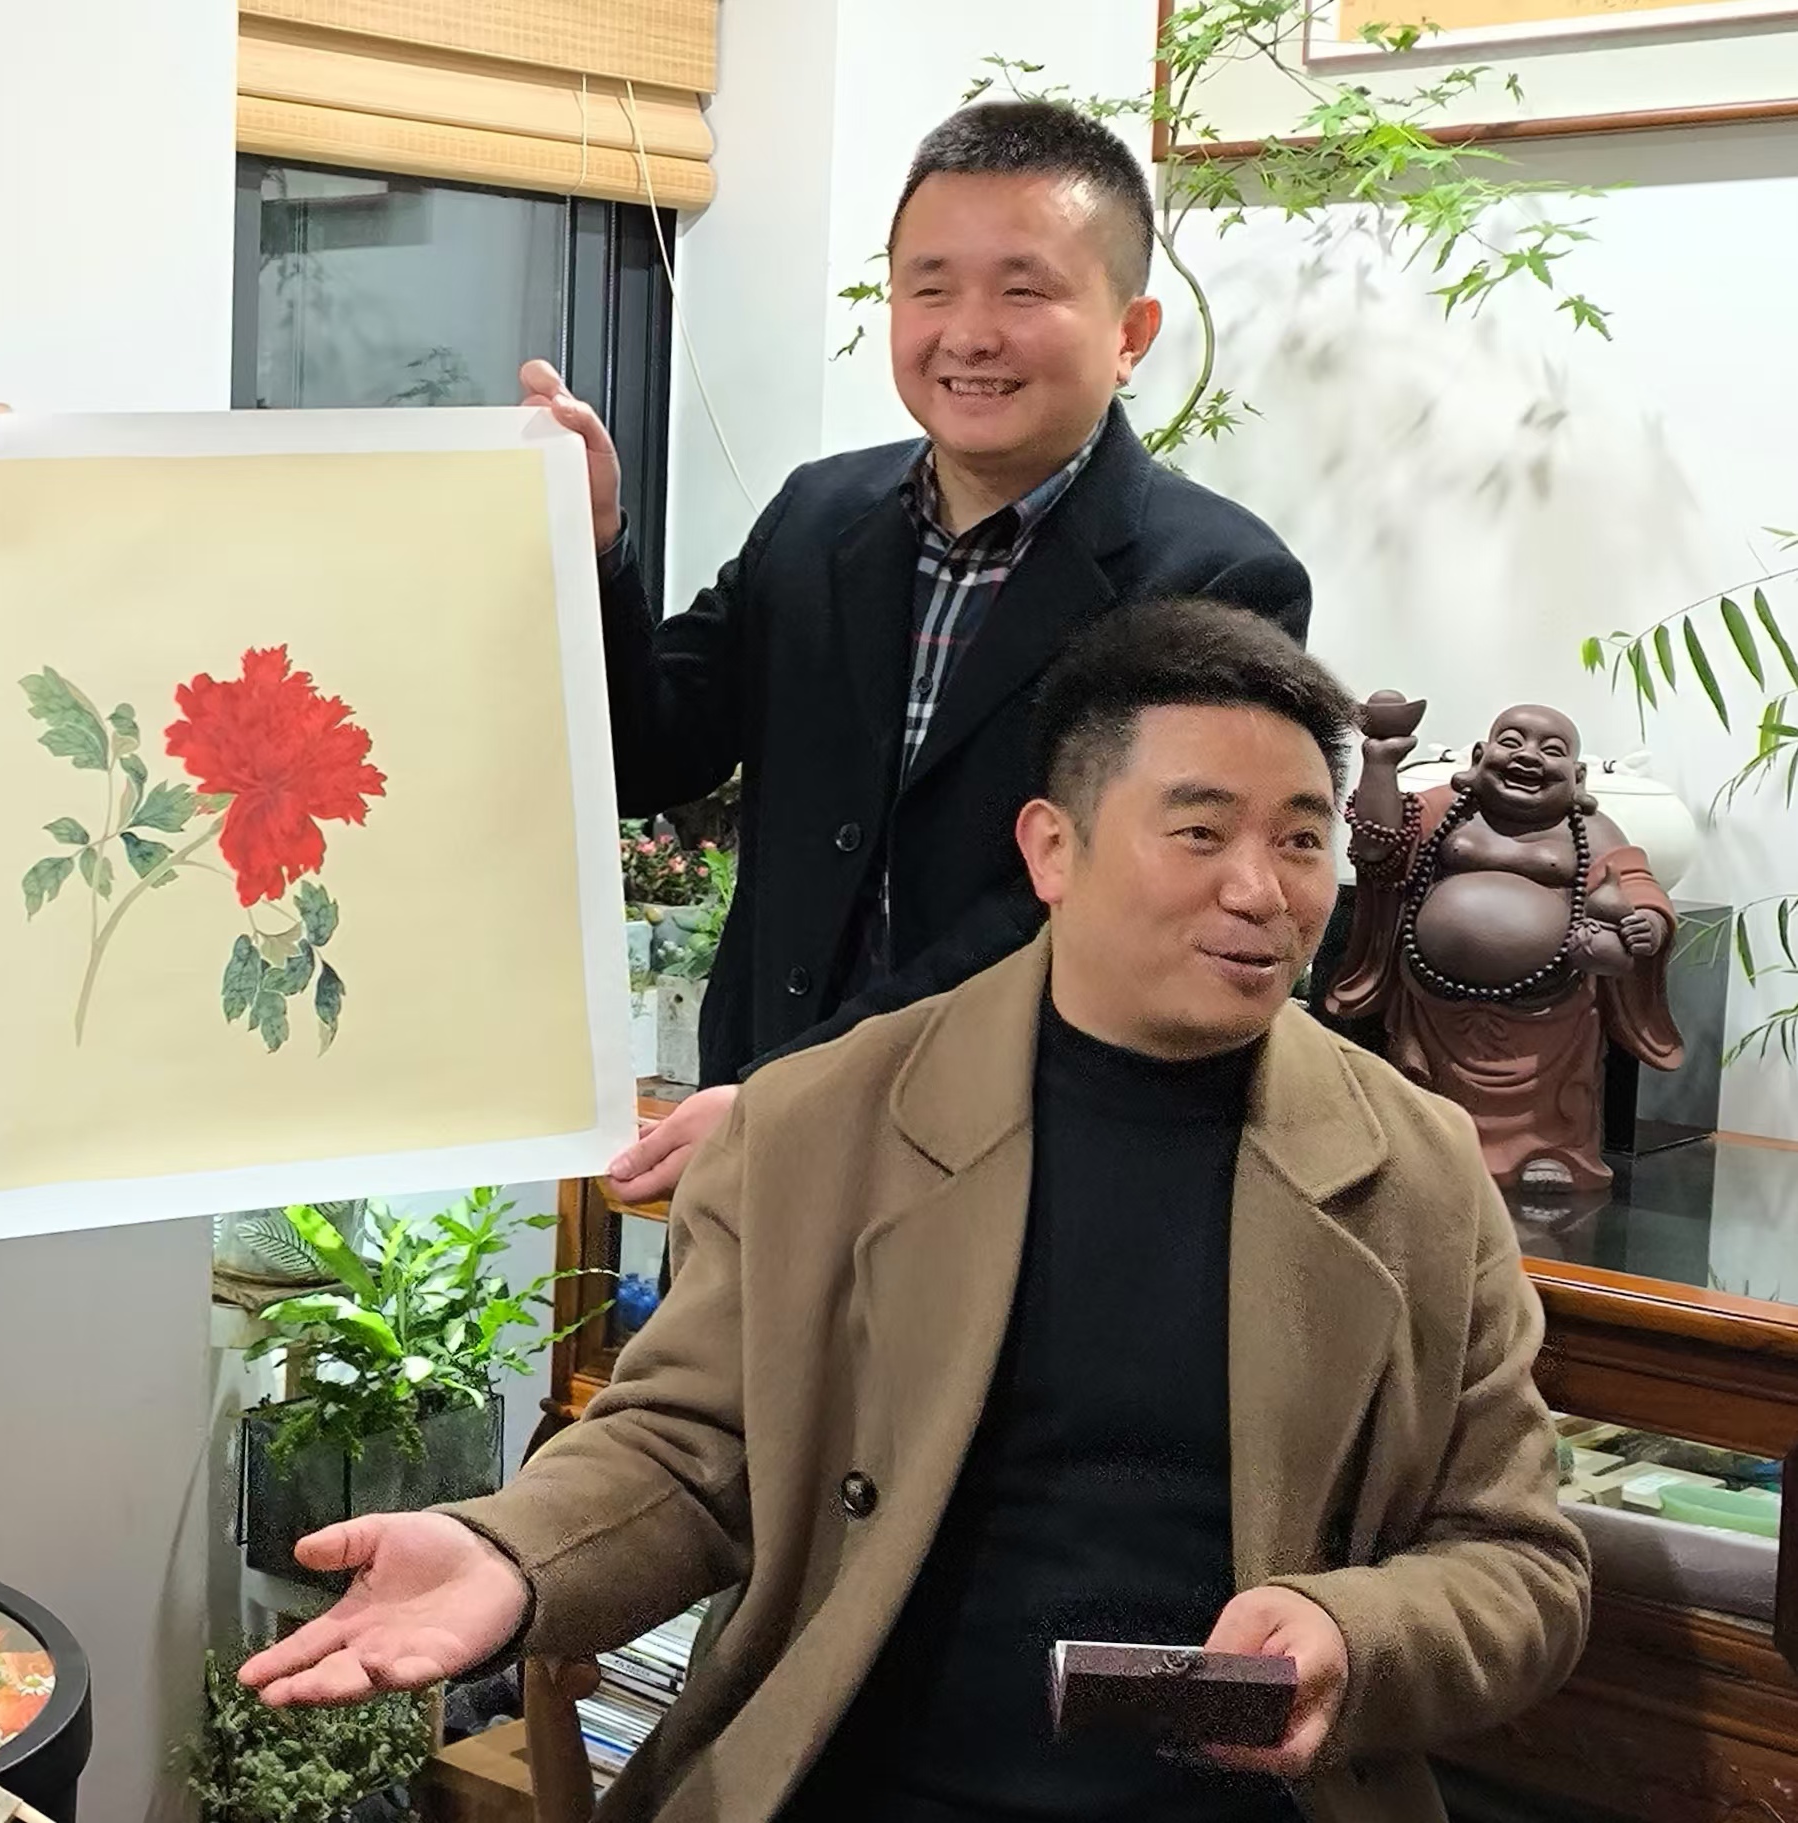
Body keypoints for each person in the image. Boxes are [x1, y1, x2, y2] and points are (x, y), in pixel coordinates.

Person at [241, 600, 1589, 1823]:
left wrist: (1350, 1631)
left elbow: (1518, 1560)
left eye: (1300, 838)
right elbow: (691, 1448)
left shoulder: (1413, 1169)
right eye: (1198, 831)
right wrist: (509, 1550)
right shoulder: (821, 1123)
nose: (1261, 888)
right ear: (1050, 848)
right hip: (866, 1781)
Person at [531, 99, 1313, 1204]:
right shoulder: (817, 518)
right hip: (757, 1122)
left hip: (1016, 1157)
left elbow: (1069, 905)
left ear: (1130, 333)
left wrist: (802, 1093)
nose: (969, 333)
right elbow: (650, 754)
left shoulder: (1219, 580)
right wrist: (597, 546)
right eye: (931, 287)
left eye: (1024, 290)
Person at [1326, 695, 1680, 1192]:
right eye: (1511, 742)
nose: (1528, 756)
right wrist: (1380, 763)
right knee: (1428, 1098)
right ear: (1479, 756)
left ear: (1577, 777)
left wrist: (1648, 924)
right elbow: (1376, 845)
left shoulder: (1590, 831)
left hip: (1549, 1010)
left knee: (1551, 1099)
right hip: (1434, 1002)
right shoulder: (1445, 809)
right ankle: (1428, 1146)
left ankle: (1548, 1150)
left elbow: (1636, 883)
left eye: (1551, 750)